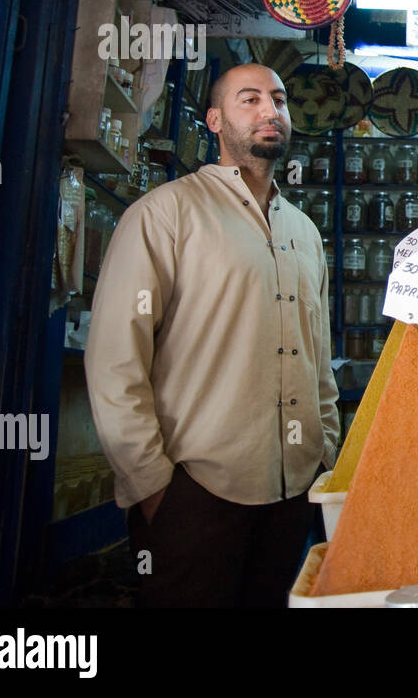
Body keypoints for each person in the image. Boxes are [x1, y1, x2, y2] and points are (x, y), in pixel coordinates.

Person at [86, 63, 339, 607]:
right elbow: (114, 360)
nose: (270, 111)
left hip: (294, 489)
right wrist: (152, 484)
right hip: (195, 492)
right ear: (215, 119)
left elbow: (318, 359)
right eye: (250, 99)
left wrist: (327, 451)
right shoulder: (165, 214)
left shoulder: (305, 232)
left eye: (279, 99)